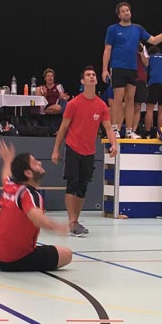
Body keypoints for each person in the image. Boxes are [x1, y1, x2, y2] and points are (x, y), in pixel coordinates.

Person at [0, 140, 73, 271]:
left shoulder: (11, 186)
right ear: (28, 173)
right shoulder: (30, 194)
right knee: (66, 254)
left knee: (6, 250)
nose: (40, 163)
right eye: (35, 163)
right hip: (13, 260)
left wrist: (8, 161)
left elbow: (6, 175)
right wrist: (58, 227)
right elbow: (37, 219)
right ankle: (8, 261)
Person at [52, 66, 117, 237]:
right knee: (72, 184)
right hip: (73, 148)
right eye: (88, 75)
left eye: (93, 75)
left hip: (89, 151)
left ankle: (76, 221)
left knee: (82, 187)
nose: (92, 77)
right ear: (82, 81)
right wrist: (56, 150)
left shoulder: (101, 105)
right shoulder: (74, 104)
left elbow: (108, 127)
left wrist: (114, 144)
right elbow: (63, 128)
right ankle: (72, 221)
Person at [101, 1, 162, 138]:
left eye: (128, 10)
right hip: (118, 67)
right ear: (119, 15)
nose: (126, 13)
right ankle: (115, 129)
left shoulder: (137, 29)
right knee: (118, 99)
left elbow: (153, 40)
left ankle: (129, 131)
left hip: (132, 69)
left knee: (131, 100)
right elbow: (107, 49)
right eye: (123, 11)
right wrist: (104, 69)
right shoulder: (113, 29)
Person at [142, 41, 162, 139]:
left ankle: (147, 133)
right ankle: (160, 133)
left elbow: (145, 72)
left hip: (154, 83)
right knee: (161, 110)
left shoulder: (150, 58)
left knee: (149, 110)